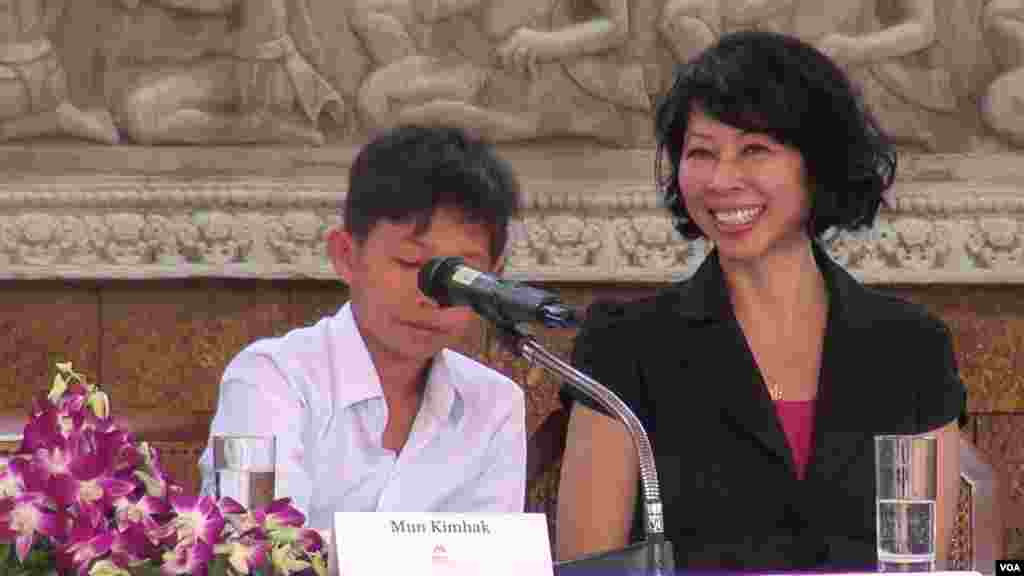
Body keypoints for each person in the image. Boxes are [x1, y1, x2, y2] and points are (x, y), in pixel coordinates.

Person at [556, 30, 966, 571]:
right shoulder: (624, 344)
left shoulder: (909, 346)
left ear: (817, 164)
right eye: (701, 152)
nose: (723, 180)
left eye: (754, 150)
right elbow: (593, 565)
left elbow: (914, 564)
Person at [199, 125, 527, 529]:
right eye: (410, 263)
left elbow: (492, 562)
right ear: (347, 256)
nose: (432, 294)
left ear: (492, 278)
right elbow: (247, 544)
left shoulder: (495, 405)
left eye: (459, 275)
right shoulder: (265, 379)